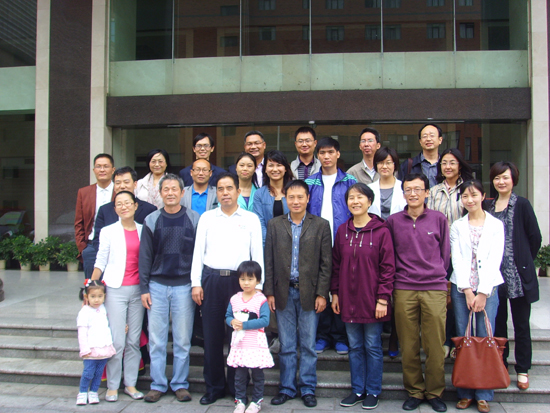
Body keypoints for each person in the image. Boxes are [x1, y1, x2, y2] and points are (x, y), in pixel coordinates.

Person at [190, 172, 264, 405]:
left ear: (238, 191)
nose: (225, 193)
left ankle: (236, 388)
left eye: (229, 188)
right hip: (211, 280)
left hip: (240, 283)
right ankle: (213, 387)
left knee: (238, 336)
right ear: (217, 193)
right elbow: (198, 252)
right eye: (220, 189)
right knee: (211, 337)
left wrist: (258, 286)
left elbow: (257, 254)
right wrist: (196, 283)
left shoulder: (250, 219)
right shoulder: (207, 218)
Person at [264, 180, 332, 408]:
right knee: (287, 345)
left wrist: (322, 294)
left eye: (300, 197)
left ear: (308, 198)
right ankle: (286, 388)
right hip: (283, 292)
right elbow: (269, 260)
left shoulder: (321, 225)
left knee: (309, 345)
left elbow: (326, 264)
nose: (295, 201)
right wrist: (269, 292)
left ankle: (308, 388)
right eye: (291, 197)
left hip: (310, 294)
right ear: (285, 198)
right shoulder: (275, 224)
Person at [386, 173, 450, 413]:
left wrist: (438, 277)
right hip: (404, 288)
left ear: (427, 193)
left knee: (435, 345)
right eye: (408, 190)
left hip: (434, 288)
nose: (413, 194)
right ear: (403, 193)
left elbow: (445, 254)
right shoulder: (393, 221)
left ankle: (434, 392)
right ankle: (414, 391)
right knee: (409, 344)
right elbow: (389, 256)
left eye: (418, 189)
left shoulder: (438, 219)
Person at [332, 183, 395, 410]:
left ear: (369, 201)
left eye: (360, 197)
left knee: (373, 346)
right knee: (355, 346)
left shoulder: (382, 231)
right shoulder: (342, 230)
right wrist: (335, 294)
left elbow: (388, 268)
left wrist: (383, 299)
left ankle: (373, 391)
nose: (355, 201)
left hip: (372, 300)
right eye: (351, 197)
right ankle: (357, 389)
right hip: (348, 300)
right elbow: (336, 265)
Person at [139, 173, 200, 403]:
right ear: (160, 193)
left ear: (182, 193)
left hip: (184, 286)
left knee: (183, 340)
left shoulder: (194, 218)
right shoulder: (152, 220)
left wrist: (197, 284)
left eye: (175, 189)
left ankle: (180, 384)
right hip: (156, 286)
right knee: (157, 340)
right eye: (166, 189)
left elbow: (199, 256)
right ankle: (157, 384)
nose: (171, 193)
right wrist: (144, 288)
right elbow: (145, 257)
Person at [450, 180, 505, 413]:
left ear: (483, 196)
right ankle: (465, 392)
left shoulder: (496, 225)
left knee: (484, 339)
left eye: (474, 195)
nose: (469, 200)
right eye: (465, 196)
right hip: (462, 289)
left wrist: (482, 293)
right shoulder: (457, 226)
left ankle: (483, 394)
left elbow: (495, 259)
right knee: (465, 339)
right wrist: (467, 290)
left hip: (488, 289)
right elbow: (456, 258)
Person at [487, 161, 542, 391]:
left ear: (513, 179)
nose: (501, 182)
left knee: (521, 325)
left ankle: (522, 369)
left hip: (518, 275)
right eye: (497, 177)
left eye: (505, 177)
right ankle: (501, 363)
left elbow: (535, 237)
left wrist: (524, 259)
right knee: (498, 324)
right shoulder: (488, 206)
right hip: (494, 276)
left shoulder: (522, 205)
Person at [89, 190, 145, 402]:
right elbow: (100, 260)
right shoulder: (108, 231)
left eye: (127, 203)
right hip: (115, 290)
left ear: (135, 205)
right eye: (119, 204)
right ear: (115, 209)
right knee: (117, 340)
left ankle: (130, 384)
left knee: (133, 341)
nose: (124, 207)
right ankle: (112, 386)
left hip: (138, 290)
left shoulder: (144, 230)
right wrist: (91, 286)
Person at [305, 137, 356, 355]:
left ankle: (340, 336)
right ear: (318, 155)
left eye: (330, 152)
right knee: (320, 289)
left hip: (343, 242)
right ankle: (323, 335)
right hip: (316, 243)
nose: (326, 156)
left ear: (338, 154)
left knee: (342, 288)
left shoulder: (350, 181)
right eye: (322, 153)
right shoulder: (310, 182)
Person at [427, 148, 474, 358]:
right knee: (442, 299)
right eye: (444, 163)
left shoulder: (468, 190)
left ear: (460, 165)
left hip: (462, 254)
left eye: (452, 162)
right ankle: (444, 340)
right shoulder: (434, 191)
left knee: (459, 299)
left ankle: (459, 340)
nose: (448, 166)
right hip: (438, 254)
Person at [226, 260, 274, 413]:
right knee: (239, 375)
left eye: (250, 279)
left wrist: (244, 325)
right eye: (242, 279)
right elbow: (228, 316)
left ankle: (256, 401)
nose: (246, 283)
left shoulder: (261, 300)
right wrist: (231, 321)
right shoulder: (235, 299)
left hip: (255, 345)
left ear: (258, 280)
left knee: (257, 375)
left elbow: (265, 320)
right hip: (240, 345)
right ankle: (240, 401)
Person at [93, 166, 157, 252]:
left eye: (126, 182)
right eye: (118, 183)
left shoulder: (149, 209)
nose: (122, 186)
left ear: (135, 184)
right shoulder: (104, 210)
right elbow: (97, 239)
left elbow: (154, 239)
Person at [74, 153, 115, 278]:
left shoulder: (120, 191)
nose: (102, 170)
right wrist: (83, 248)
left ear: (113, 170)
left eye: (106, 166)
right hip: (91, 246)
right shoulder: (84, 192)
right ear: (94, 170)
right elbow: (79, 222)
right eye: (98, 166)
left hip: (116, 245)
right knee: (93, 285)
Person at [76, 280, 116, 406]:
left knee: (98, 373)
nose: (96, 300)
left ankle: (93, 392)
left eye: (100, 296)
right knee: (88, 372)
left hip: (104, 347)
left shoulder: (104, 309)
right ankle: (82, 392)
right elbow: (82, 332)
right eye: (93, 296)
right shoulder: (84, 312)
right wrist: (84, 349)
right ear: (86, 296)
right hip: (91, 349)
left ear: (104, 296)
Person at [253, 150, 292, 244]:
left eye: (279, 165)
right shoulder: (259, 194)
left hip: (292, 243)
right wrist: (269, 244)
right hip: (268, 244)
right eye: (271, 165)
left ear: (285, 168)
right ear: (265, 169)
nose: (275, 169)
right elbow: (260, 223)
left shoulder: (294, 191)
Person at [398, 124, 443, 188]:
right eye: (424, 136)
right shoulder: (408, 165)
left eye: (432, 135)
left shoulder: (446, 165)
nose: (428, 139)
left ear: (440, 140)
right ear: (420, 141)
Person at [367, 146, 406, 219]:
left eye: (388, 163)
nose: (384, 166)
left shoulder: (404, 188)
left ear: (395, 164)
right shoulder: (368, 189)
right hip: (375, 226)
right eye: (381, 163)